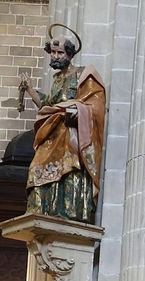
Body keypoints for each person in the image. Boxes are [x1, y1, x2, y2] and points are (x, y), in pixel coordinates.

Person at [19, 28, 108, 223]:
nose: (55, 56)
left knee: (70, 167)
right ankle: (42, 211)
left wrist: (78, 111)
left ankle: (70, 211)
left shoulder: (84, 74)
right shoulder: (57, 80)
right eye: (52, 52)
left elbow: (96, 104)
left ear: (69, 54)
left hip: (72, 133)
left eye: (59, 53)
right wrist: (30, 90)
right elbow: (48, 105)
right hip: (52, 132)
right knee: (37, 167)